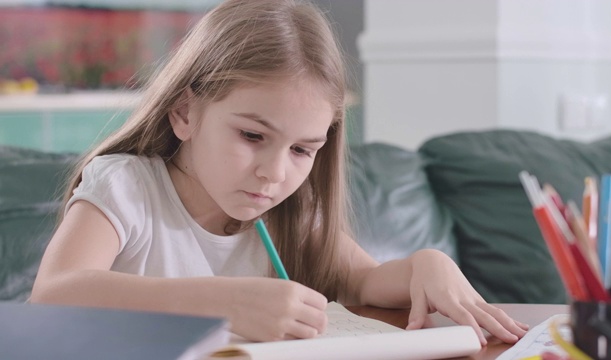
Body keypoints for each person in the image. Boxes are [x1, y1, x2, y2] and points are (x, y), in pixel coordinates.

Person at [31, 0, 528, 345]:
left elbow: (369, 281)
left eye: (302, 149)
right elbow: (54, 295)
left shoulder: (291, 212)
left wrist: (427, 264)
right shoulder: (126, 186)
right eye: (252, 136)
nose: (273, 173)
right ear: (185, 113)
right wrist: (222, 301)